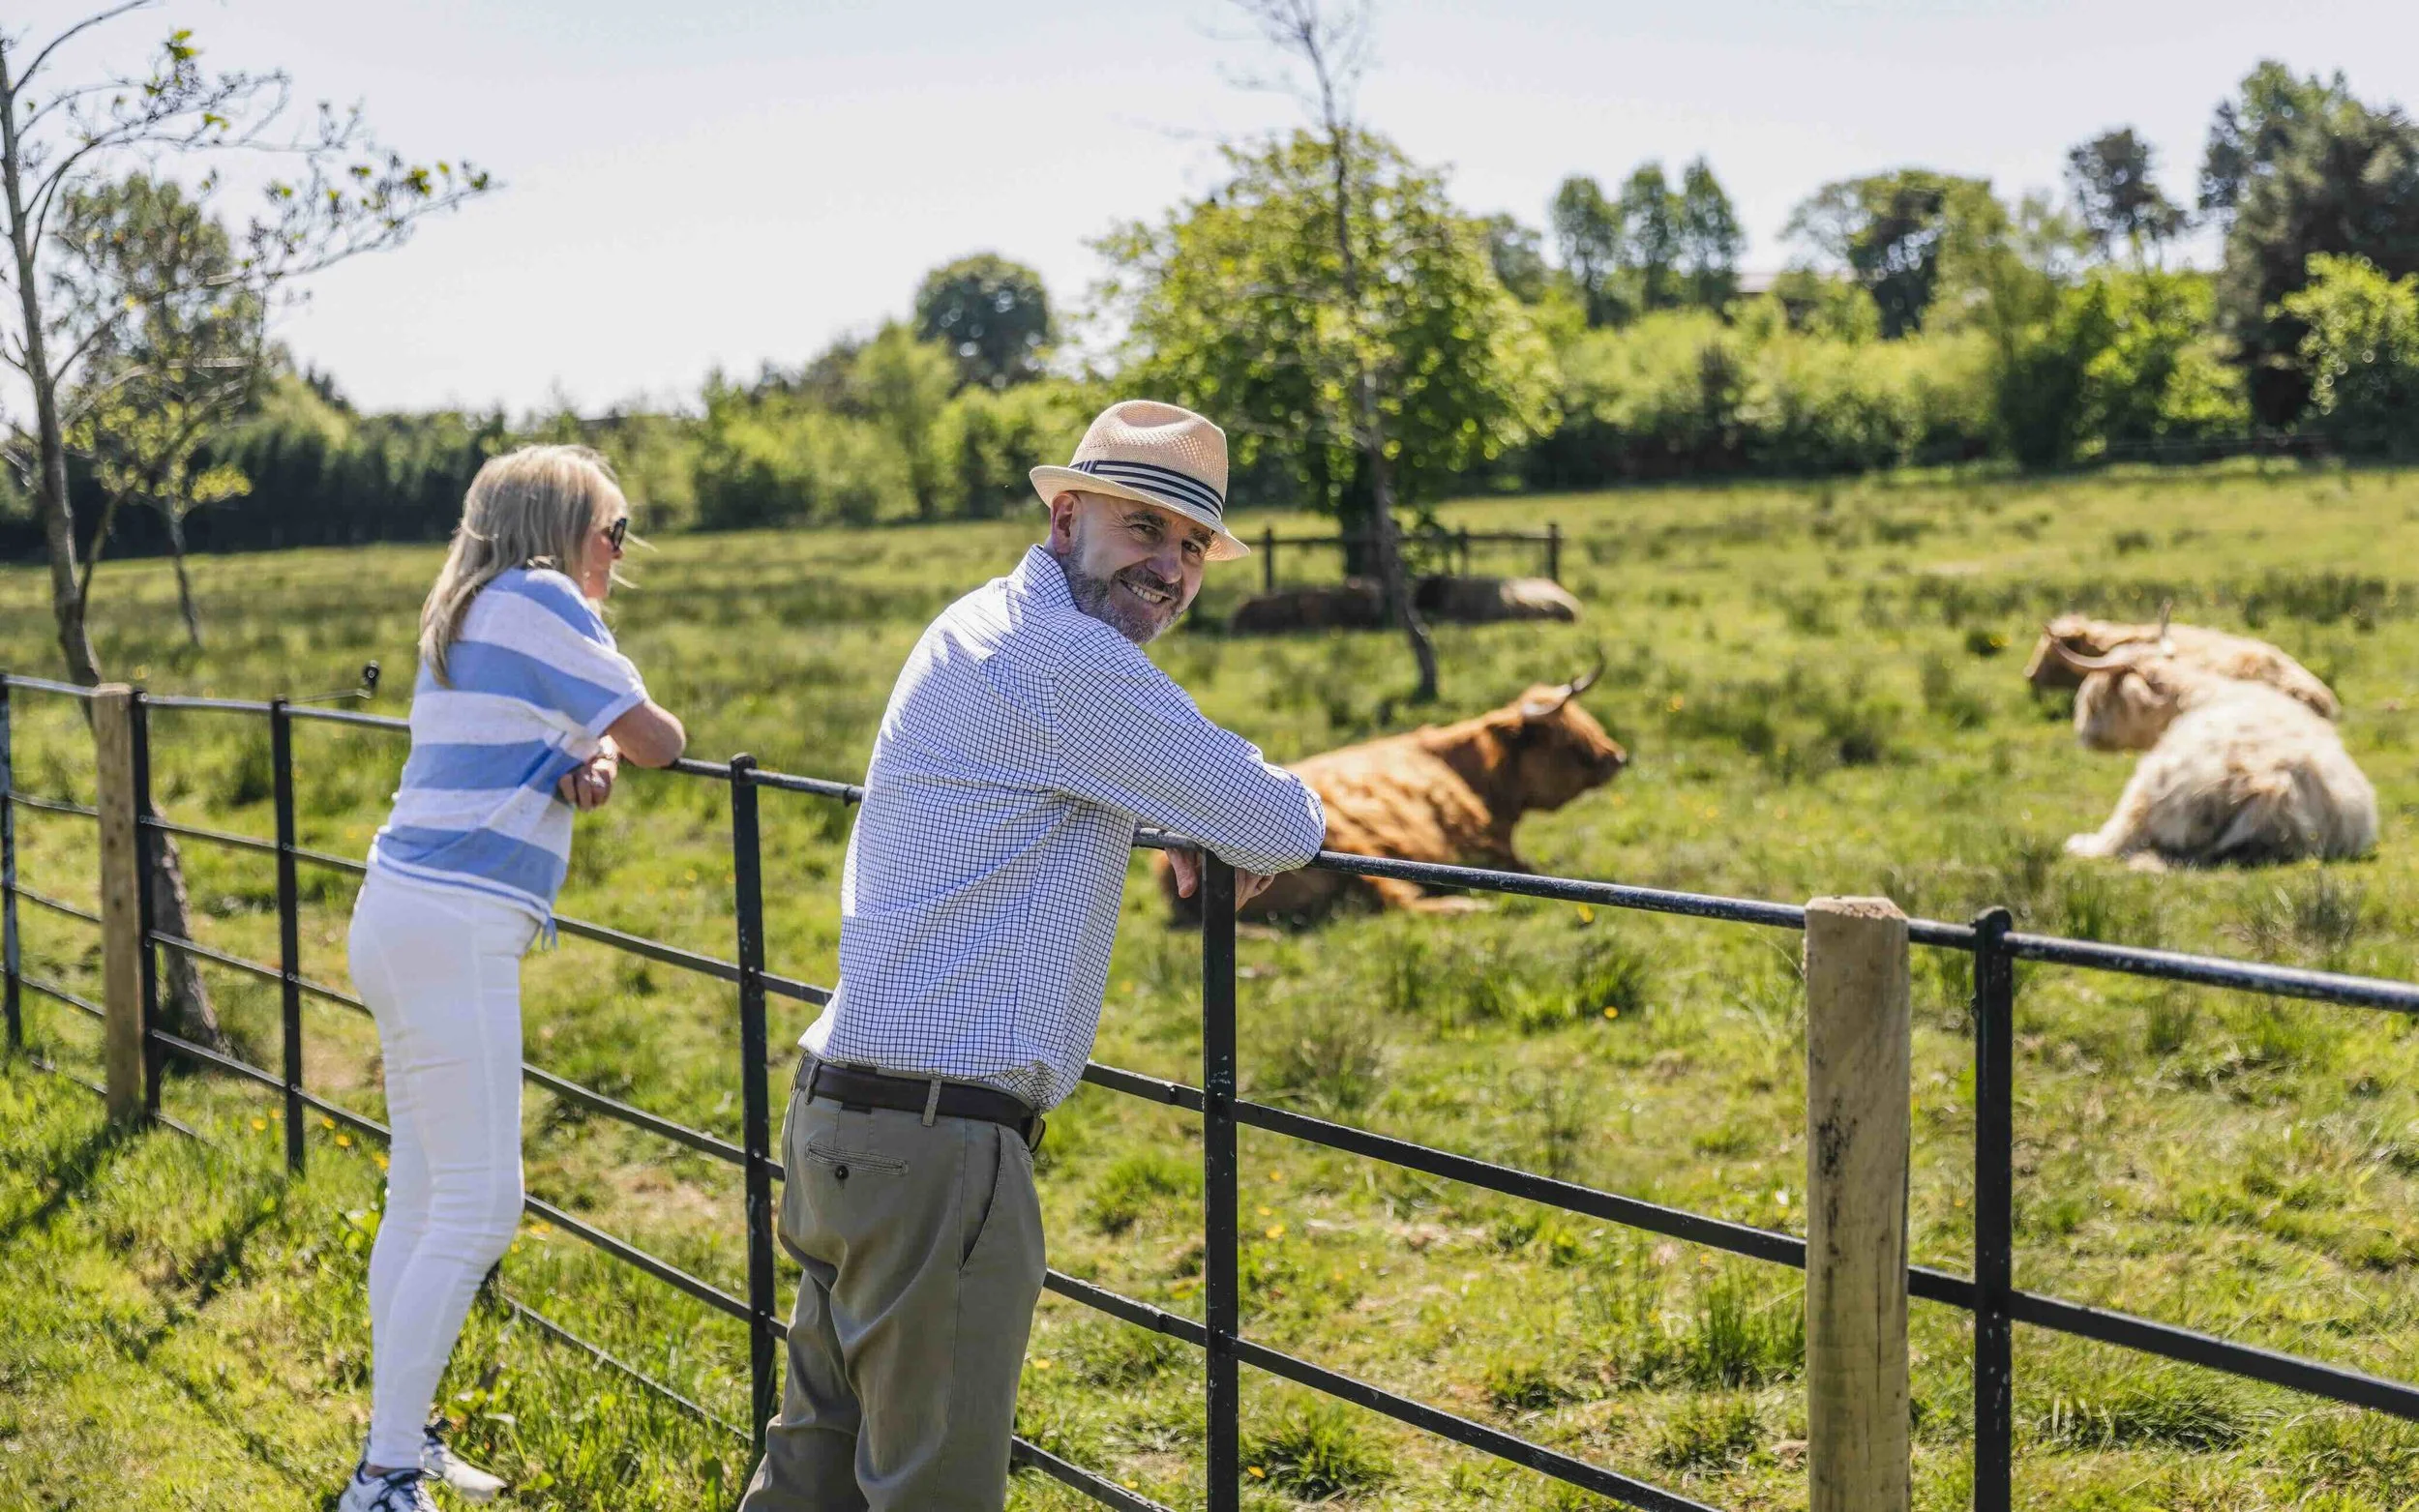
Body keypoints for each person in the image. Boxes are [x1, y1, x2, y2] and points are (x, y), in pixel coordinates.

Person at [741, 400, 1328, 1511]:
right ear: (1068, 515)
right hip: (939, 1144)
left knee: (810, 1473)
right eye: (1143, 528)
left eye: (1193, 546)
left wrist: (1184, 813)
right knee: (934, 1488)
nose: (1170, 568)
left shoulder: (979, 623)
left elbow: (1147, 789)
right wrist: (1222, 817)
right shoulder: (1065, 663)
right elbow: (1281, 823)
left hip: (840, 1122)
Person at [338, 445, 688, 1512]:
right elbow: (662, 740)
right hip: (451, 928)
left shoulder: (473, 603)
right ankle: (384, 1476)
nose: (618, 555)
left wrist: (582, 757)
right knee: (483, 1208)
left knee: (423, 1197)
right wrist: (614, 746)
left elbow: (528, 744)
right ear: (561, 526)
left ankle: (402, 1438)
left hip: (404, 913)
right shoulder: (541, 597)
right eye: (613, 531)